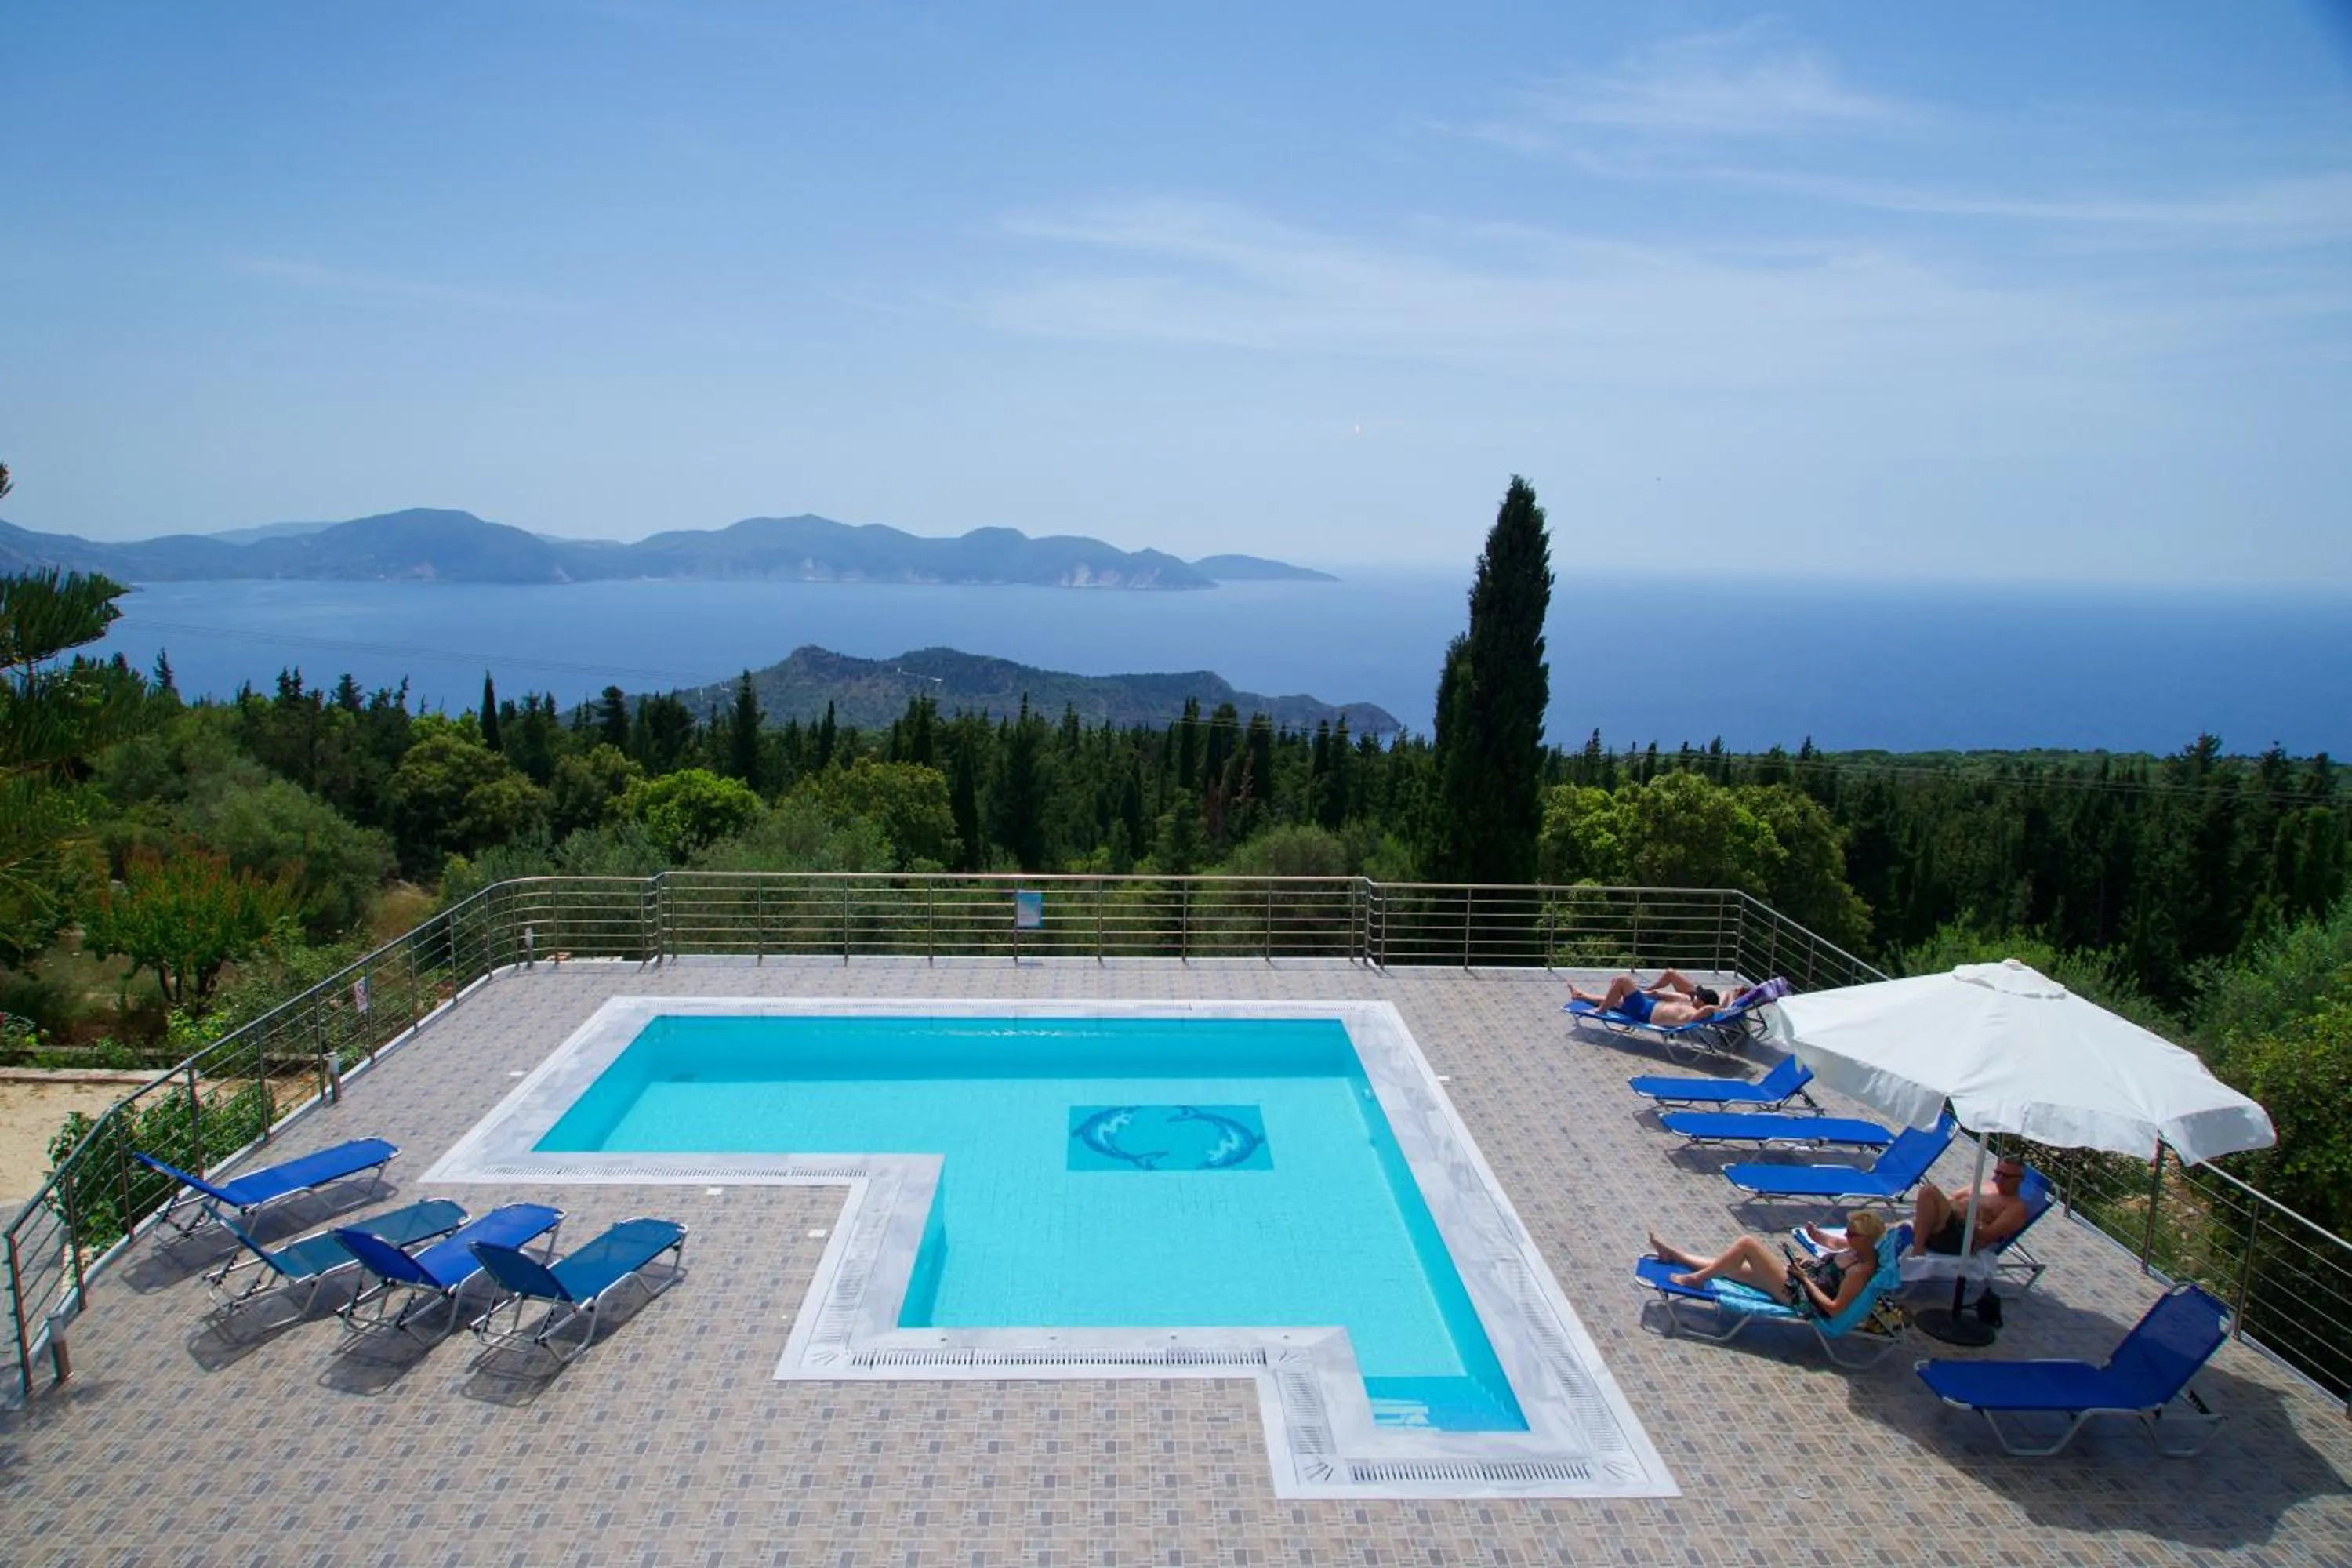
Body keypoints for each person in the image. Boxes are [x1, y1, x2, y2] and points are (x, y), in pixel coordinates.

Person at [1647, 1209, 1886, 1316]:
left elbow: (1834, 1309)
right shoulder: (1854, 1248)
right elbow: (1833, 1244)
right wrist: (1816, 1240)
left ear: (1866, 1239)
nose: (1846, 1236)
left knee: (1748, 1244)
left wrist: (1804, 1280)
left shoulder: (1859, 1271)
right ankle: (1674, 1255)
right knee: (1726, 1266)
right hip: (1797, 1280)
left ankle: (1696, 1281)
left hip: (1798, 1296)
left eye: (1852, 1233)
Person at [1911, 1156, 2031, 1256]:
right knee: (1929, 1197)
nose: (1999, 1178)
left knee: (1928, 1191)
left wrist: (1963, 1216)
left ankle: (1917, 1250)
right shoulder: (1985, 1185)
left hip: (1962, 1241)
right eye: (1997, 1172)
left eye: (2006, 1176)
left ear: (2020, 1179)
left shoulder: (2015, 1208)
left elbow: (1988, 1235)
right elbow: (1951, 1198)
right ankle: (1916, 1239)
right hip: (1946, 1225)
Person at [1567, 968, 1728, 1028]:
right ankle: (1581, 996)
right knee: (1618, 995)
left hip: (1644, 1014)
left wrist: (1719, 1008)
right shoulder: (1686, 1001)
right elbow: (1657, 994)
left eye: (1698, 998)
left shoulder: (1693, 1015)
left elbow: (1707, 1010)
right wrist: (1637, 991)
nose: (1695, 997)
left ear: (1702, 1003)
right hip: (1648, 1003)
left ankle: (1601, 1011)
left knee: (1623, 980)